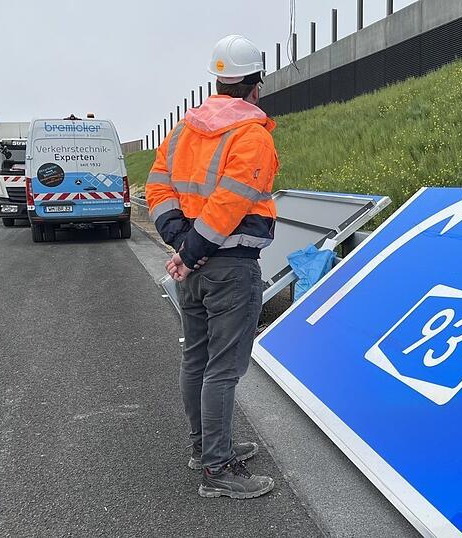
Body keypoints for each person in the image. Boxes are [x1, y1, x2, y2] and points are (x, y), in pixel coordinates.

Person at [146, 34, 279, 499]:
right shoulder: (252, 135)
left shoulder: (183, 131)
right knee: (222, 369)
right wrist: (190, 251)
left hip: (194, 268)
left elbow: (157, 188)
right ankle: (217, 470)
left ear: (218, 83)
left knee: (197, 360)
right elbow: (230, 203)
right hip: (230, 268)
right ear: (256, 84)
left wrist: (181, 244)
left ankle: (205, 448)